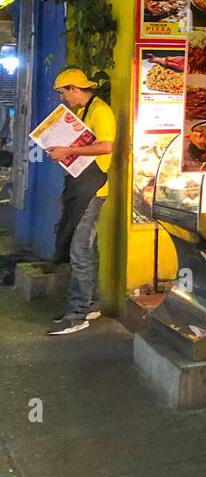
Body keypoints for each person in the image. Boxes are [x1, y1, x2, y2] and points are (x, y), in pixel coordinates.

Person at [45, 67, 116, 335]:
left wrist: (68, 150)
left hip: (93, 190)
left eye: (64, 92)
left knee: (79, 250)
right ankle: (91, 303)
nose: (63, 98)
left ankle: (77, 315)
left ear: (75, 89)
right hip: (81, 186)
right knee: (87, 248)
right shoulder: (85, 111)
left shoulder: (100, 111)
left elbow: (106, 146)